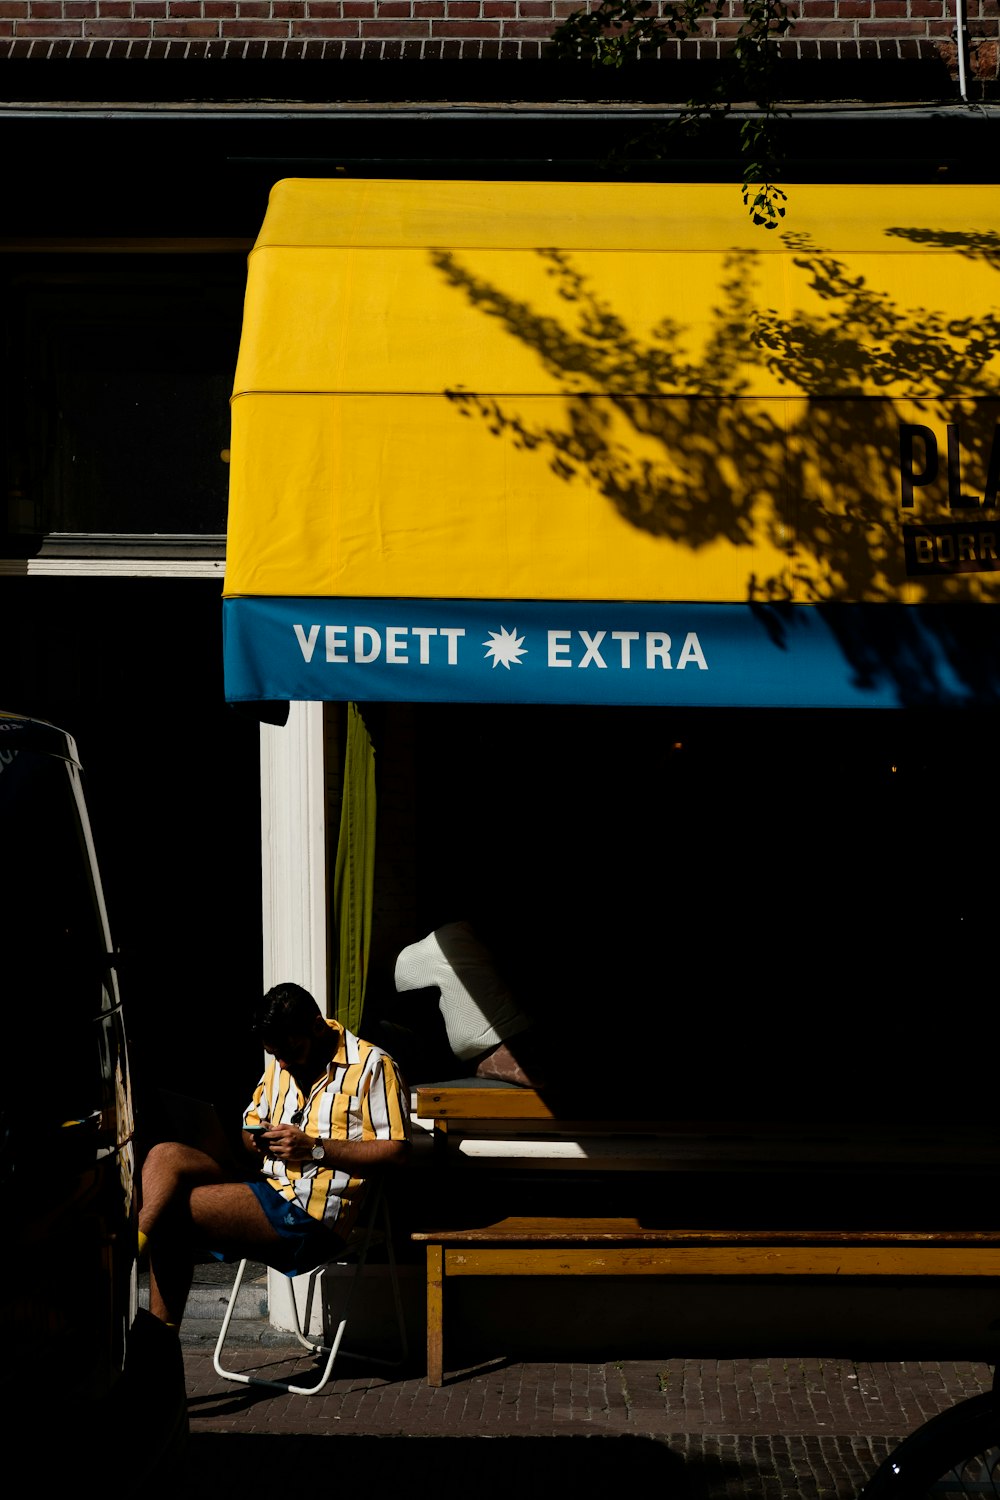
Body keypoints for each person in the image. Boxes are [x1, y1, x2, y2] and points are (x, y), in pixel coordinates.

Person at [139, 982, 410, 1329]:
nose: (282, 1062)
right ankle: (136, 1245)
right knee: (165, 1153)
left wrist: (314, 1147)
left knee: (173, 1213)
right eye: (274, 1053)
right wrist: (258, 1140)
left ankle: (157, 1347)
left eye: (290, 1050)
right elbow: (247, 1129)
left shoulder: (374, 1066)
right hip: (265, 1187)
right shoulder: (281, 1065)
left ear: (316, 1026)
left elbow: (397, 1152)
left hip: (308, 1216)